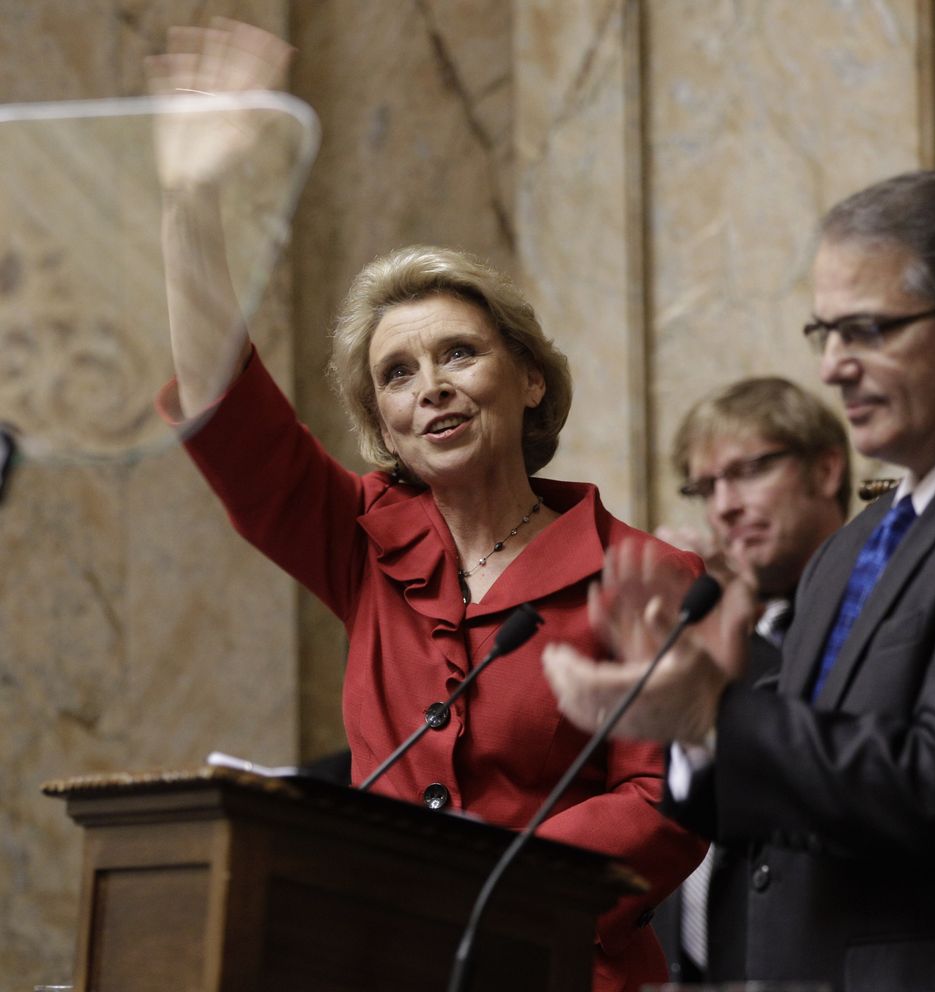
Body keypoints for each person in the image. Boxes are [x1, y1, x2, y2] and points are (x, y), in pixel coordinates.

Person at [146, 20, 704, 992]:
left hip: (566, 970)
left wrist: (472, 876)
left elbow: (660, 802)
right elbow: (225, 412)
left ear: (529, 378)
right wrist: (192, 199)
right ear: (383, 425)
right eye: (396, 375)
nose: (430, 387)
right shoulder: (363, 540)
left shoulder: (642, 574)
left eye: (459, 353)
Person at [543, 170, 935, 991]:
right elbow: (793, 799)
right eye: (825, 332)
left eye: (869, 330)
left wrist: (720, 715)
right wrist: (694, 739)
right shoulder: (855, 546)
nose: (835, 367)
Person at [651, 377, 849, 983]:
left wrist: (729, 644)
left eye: (747, 472)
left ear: (826, 470)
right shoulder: (710, 621)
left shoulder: (875, 600)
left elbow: (802, 735)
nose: (723, 507)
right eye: (705, 487)